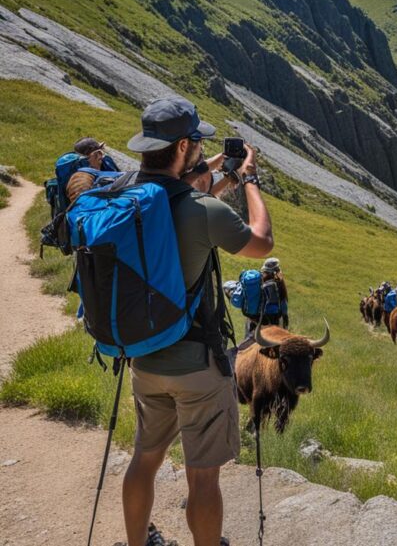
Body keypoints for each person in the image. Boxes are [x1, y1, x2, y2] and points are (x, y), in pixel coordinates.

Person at [119, 97, 273, 546]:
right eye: (197, 144)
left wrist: (211, 171)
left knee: (144, 460)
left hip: (144, 359)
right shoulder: (202, 211)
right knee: (203, 478)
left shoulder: (129, 193)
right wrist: (249, 180)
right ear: (183, 145)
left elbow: (178, 201)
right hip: (196, 366)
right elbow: (260, 242)